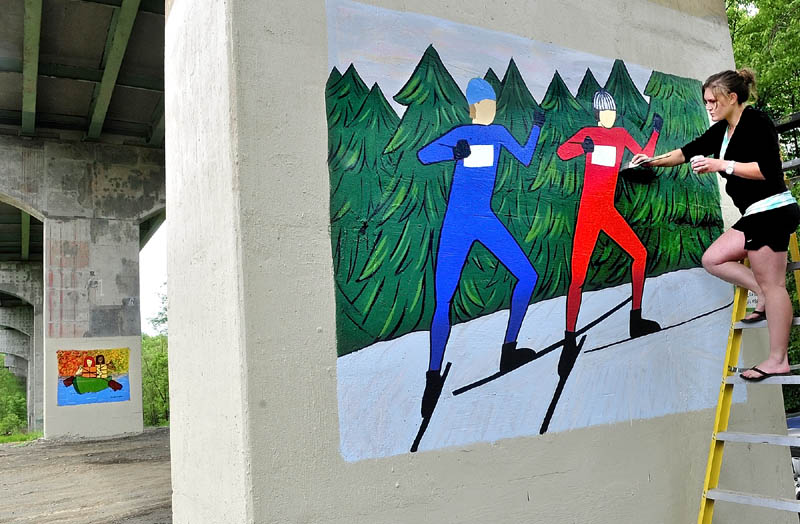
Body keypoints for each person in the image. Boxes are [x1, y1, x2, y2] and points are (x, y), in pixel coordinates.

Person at [633, 69, 800, 381]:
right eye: (705, 102)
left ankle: (778, 359)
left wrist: (721, 164)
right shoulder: (722, 131)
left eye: (713, 101)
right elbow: (685, 152)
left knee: (774, 284)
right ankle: (759, 292)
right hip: (754, 214)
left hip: (773, 210)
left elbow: (768, 171)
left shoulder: (756, 121)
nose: (708, 107)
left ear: (732, 98)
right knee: (712, 258)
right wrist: (650, 161)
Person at [416, 77, 545, 417]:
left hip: (484, 219)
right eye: (484, 106)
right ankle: (432, 375)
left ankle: (509, 349)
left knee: (527, 276)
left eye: (493, 106)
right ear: (473, 108)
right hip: (457, 223)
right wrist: (451, 151)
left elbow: (526, 157)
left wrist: (534, 128)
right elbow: (424, 154)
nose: (490, 111)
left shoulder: (499, 133)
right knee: (444, 298)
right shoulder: (463, 133)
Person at [556, 90, 663, 378]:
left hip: (608, 211)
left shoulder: (620, 135)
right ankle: (569, 339)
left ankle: (636, 319)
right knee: (577, 277)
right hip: (588, 213)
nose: (609, 116)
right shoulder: (588, 132)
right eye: (604, 112)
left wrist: (654, 133)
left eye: (612, 111)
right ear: (596, 114)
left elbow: (643, 156)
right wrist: (584, 146)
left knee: (639, 254)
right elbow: (563, 152)